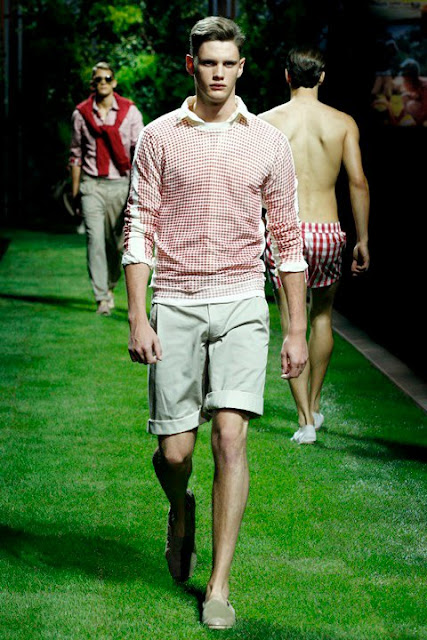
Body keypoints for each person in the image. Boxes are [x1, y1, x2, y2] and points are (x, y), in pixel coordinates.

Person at [122, 17, 308, 630]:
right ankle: (180, 508)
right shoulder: (158, 137)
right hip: (174, 301)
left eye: (229, 63)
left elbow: (287, 238)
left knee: (231, 437)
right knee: (174, 453)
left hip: (241, 302)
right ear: (191, 65)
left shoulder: (268, 142)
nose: (219, 74)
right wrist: (137, 316)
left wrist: (296, 329)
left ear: (242, 67)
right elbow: (139, 226)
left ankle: (219, 586)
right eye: (209, 63)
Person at [259, 45, 370, 445]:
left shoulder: (265, 124)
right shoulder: (342, 123)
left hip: (285, 231)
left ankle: (305, 419)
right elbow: (357, 181)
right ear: (322, 77)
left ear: (287, 76)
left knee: (292, 323)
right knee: (322, 317)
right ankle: (316, 402)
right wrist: (363, 238)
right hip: (327, 230)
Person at [69, 62, 143, 315]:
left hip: (121, 185)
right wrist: (76, 192)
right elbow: (76, 154)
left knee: (117, 244)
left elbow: (139, 152)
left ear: (114, 82)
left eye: (107, 78)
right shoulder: (81, 114)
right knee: (95, 241)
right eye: (98, 79)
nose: (103, 82)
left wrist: (139, 189)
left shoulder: (130, 112)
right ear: (93, 83)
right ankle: (101, 297)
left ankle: (110, 284)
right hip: (92, 185)